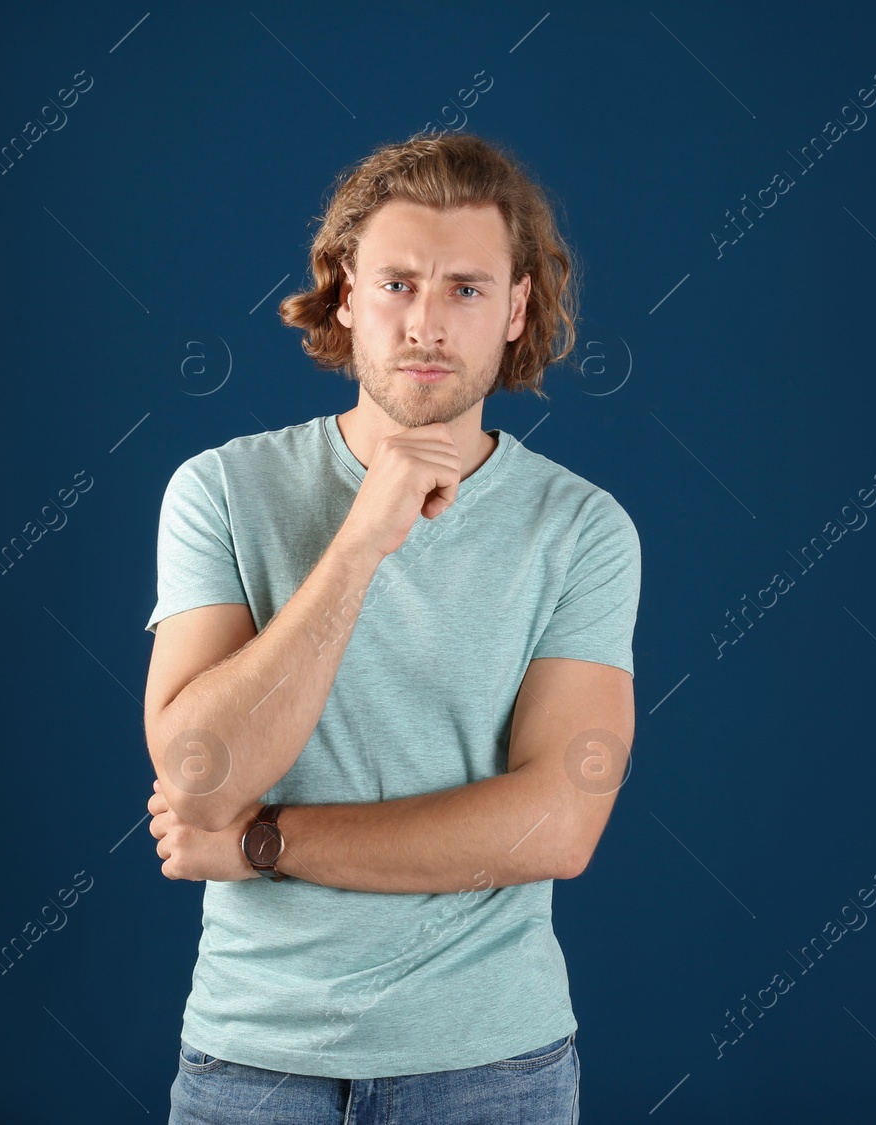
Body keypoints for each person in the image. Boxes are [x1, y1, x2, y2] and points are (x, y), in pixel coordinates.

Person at [142, 131, 641, 1124]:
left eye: (464, 288)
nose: (425, 321)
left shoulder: (581, 529)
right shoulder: (221, 491)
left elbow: (559, 823)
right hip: (254, 1063)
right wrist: (362, 541)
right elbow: (201, 776)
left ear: (517, 308)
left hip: (491, 1067)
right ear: (343, 295)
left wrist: (261, 845)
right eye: (396, 283)